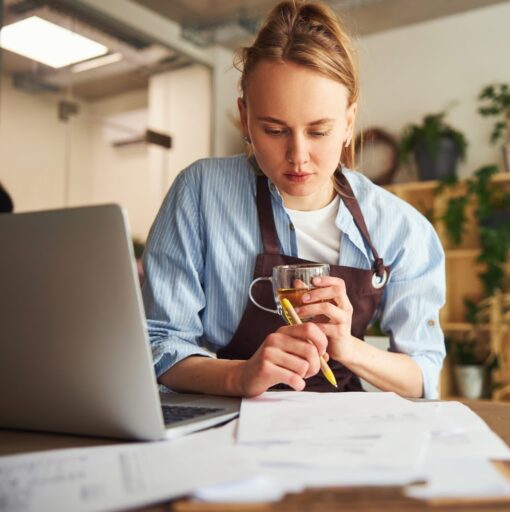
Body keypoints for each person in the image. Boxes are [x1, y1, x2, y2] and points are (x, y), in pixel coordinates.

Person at [142, 0, 445, 399]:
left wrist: (349, 348)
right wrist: (239, 376)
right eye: (274, 130)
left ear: (348, 123)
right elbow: (160, 346)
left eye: (319, 132)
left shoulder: (401, 229)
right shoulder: (199, 193)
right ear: (246, 118)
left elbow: (422, 375)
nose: (298, 156)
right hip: (222, 422)